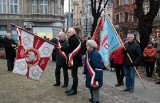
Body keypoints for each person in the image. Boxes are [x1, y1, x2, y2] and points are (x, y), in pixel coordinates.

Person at [58, 28, 82, 96]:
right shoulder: (73, 38)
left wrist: (61, 48)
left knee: (74, 75)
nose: (67, 33)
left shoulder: (73, 39)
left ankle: (74, 90)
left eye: (68, 32)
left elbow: (69, 49)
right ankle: (73, 88)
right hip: (74, 60)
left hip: (75, 60)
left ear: (72, 33)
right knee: (73, 75)